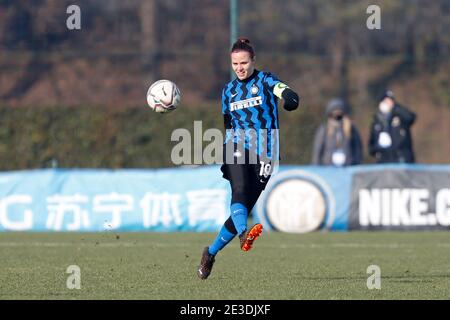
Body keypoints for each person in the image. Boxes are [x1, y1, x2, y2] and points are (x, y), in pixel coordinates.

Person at [197, 38, 300, 279]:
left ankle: (210, 253)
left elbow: (285, 91)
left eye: (244, 62)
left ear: (253, 61)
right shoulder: (228, 91)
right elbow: (227, 123)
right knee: (240, 190)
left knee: (242, 207)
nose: (240, 67)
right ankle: (245, 233)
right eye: (235, 63)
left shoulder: (266, 81)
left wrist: (290, 99)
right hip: (236, 145)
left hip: (267, 153)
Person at [311, 98, 363, 166]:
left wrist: (357, 166)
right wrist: (316, 168)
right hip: (328, 169)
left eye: (339, 114)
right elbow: (317, 151)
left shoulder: (351, 129)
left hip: (348, 168)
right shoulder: (324, 130)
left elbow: (358, 150)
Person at [368, 90, 416, 163]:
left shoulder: (399, 117)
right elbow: (371, 144)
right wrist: (377, 150)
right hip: (384, 161)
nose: (388, 104)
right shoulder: (376, 123)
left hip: (401, 159)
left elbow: (410, 117)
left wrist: (395, 107)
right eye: (386, 101)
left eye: (390, 101)